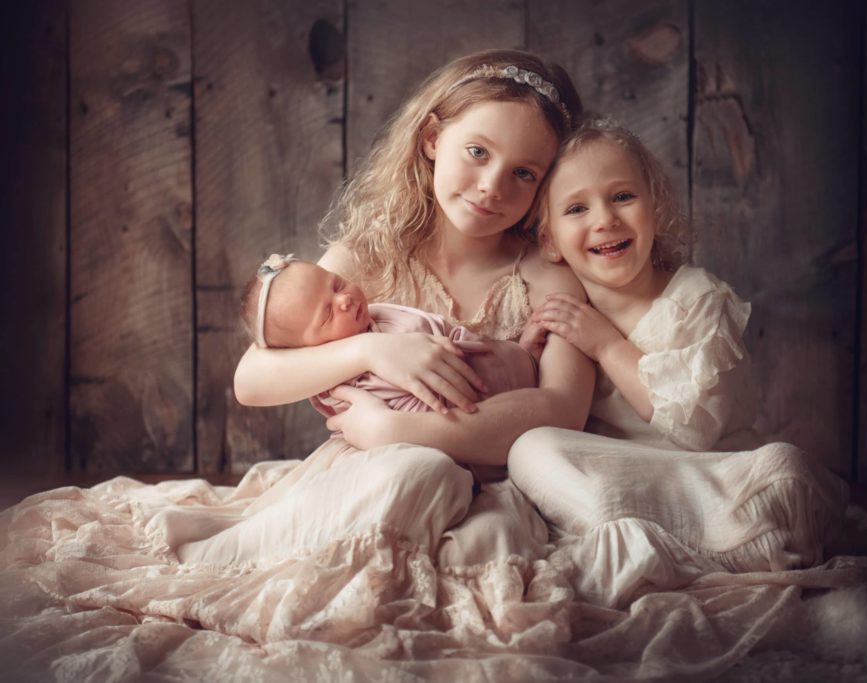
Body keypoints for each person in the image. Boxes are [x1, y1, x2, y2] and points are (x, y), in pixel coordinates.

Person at [170, 49, 594, 568]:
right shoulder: (368, 259)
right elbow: (251, 381)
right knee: (405, 477)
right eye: (478, 152)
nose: (492, 186)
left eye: (524, 174)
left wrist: (398, 430)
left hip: (497, 483)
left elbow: (564, 410)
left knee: (439, 490)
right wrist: (373, 350)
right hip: (375, 473)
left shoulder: (548, 276)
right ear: (432, 138)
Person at [507, 118, 854, 608]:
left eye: (622, 197)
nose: (604, 219)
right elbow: (542, 402)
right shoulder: (566, 308)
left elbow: (691, 429)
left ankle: (692, 544)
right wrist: (526, 349)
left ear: (654, 206)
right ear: (548, 240)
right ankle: (642, 544)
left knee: (783, 469)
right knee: (532, 448)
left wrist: (606, 344)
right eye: (577, 208)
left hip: (708, 479)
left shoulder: (698, 298)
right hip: (632, 487)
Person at [239, 254, 543, 419]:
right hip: (474, 423)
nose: (343, 300)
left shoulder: (376, 317)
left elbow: (451, 334)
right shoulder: (355, 382)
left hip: (512, 377)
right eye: (327, 315)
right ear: (310, 348)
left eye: (337, 284)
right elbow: (421, 418)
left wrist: (521, 355)